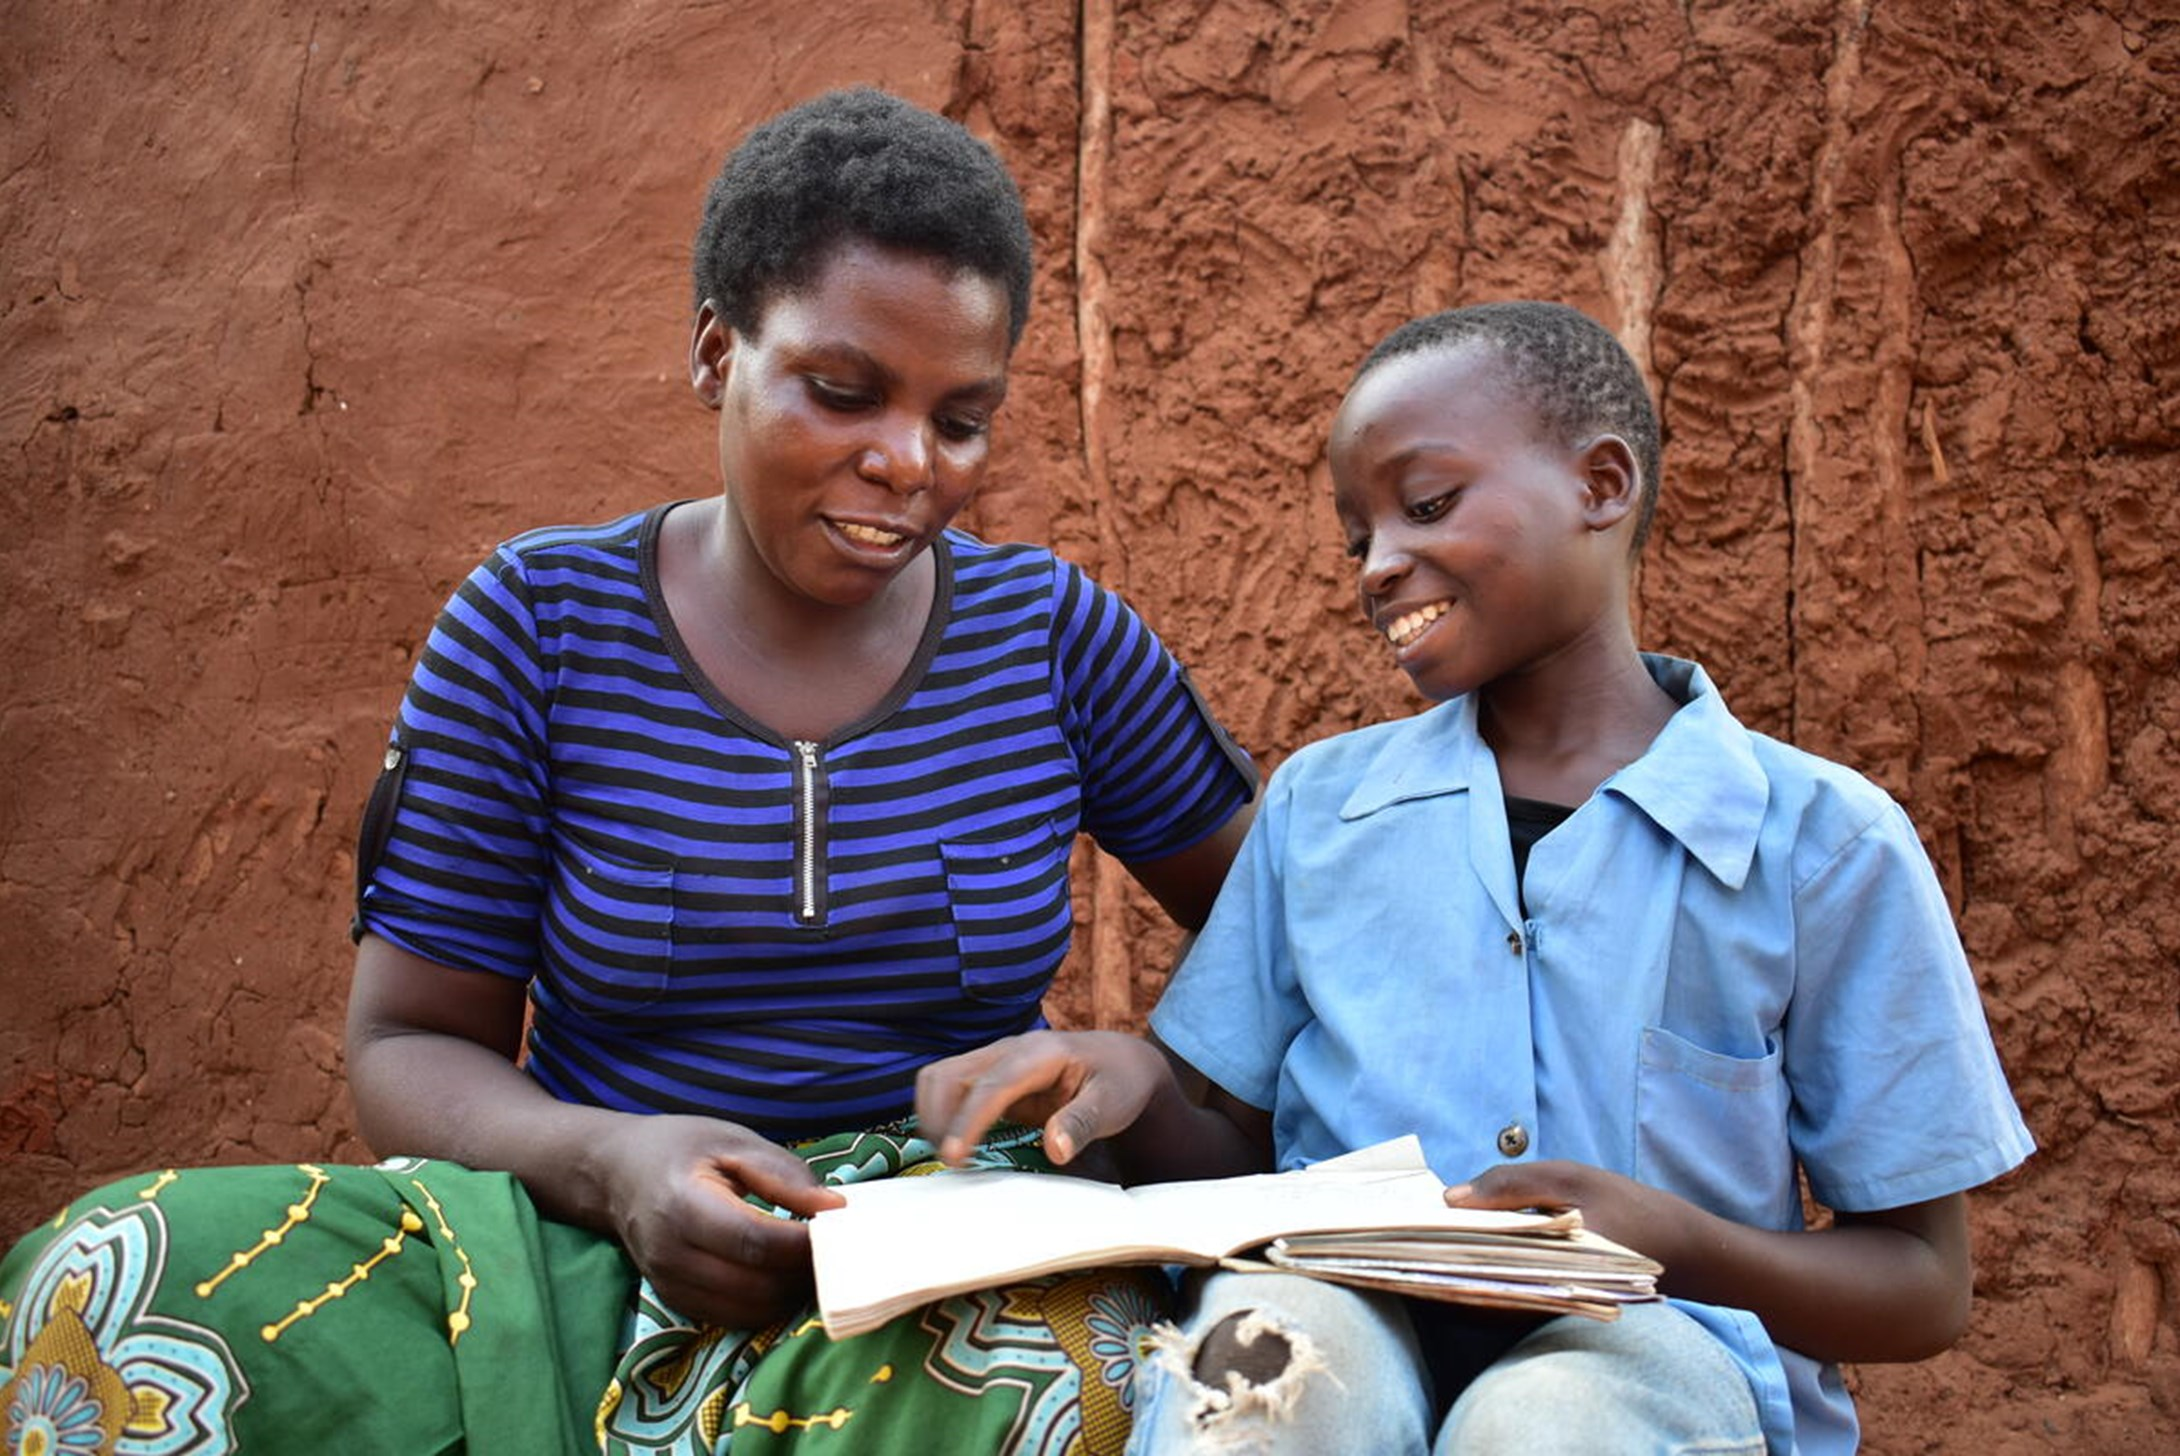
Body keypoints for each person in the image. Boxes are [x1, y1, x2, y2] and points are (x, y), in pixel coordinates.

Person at [0, 89, 1255, 1456]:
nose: (906, 462)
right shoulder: (537, 625)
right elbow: (409, 1045)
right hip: (573, 1247)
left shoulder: (1057, 642)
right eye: (842, 393)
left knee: (1076, 1375)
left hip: (938, 1280)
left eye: (962, 419)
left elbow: (1292, 939)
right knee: (116, 1281)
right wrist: (615, 1163)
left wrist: (1129, 1068)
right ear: (719, 355)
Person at [916, 301, 2036, 1455]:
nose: (1380, 564)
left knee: (1543, 1423)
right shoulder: (1320, 810)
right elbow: (1236, 1157)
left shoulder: (1818, 841)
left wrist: (1672, 1238)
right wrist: (1138, 1091)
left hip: (1661, 1343)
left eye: (1427, 504)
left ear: (1601, 484)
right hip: (1346, 1305)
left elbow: (1919, 1282)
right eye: (1357, 538)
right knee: (1257, 1376)